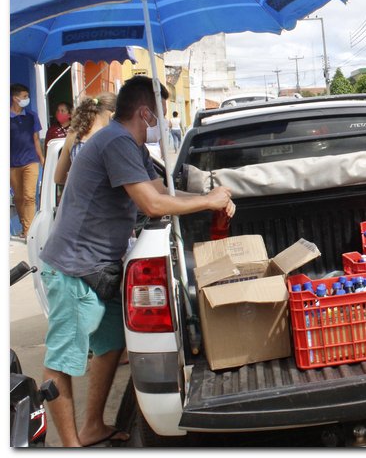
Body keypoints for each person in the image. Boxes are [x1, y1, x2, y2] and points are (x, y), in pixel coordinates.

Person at [39, 76, 235, 447]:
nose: (164, 121)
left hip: (99, 268)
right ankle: (70, 444)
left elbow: (163, 190)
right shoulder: (115, 141)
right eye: (160, 113)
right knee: (62, 360)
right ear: (145, 113)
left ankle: (93, 425)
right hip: (73, 269)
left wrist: (212, 195)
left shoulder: (132, 146)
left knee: (112, 343)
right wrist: (208, 201)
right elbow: (152, 204)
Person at [54, 93, 117, 187]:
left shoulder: (73, 134)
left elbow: (58, 178)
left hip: (79, 199)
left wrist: (80, 181)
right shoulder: (111, 136)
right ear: (113, 114)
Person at [10, 83, 44, 238]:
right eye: (24, 97)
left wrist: (41, 158)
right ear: (15, 98)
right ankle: (25, 227)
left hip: (31, 160)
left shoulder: (32, 116)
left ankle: (29, 232)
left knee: (29, 196)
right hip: (12, 164)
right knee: (18, 197)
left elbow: (36, 139)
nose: (27, 99)